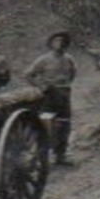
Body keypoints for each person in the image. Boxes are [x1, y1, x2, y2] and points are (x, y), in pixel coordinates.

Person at [25, 30, 77, 165]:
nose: (59, 43)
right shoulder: (43, 60)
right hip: (49, 95)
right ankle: (42, 156)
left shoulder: (69, 59)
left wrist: (65, 86)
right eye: (56, 41)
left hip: (64, 93)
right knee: (47, 124)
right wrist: (42, 86)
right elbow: (29, 74)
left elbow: (72, 74)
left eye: (62, 41)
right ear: (51, 44)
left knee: (64, 124)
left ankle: (61, 155)